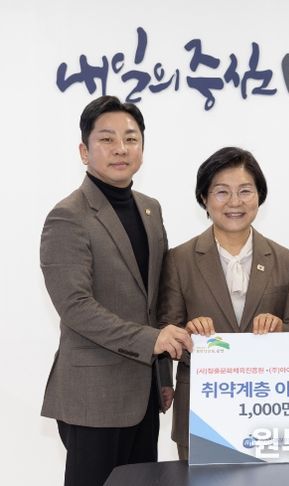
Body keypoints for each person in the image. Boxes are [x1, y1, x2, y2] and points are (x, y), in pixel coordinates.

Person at [40, 96, 193, 486]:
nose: (121, 148)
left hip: (144, 395)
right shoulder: (68, 216)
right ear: (84, 151)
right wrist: (151, 340)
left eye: (131, 138)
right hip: (93, 397)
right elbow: (76, 307)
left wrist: (163, 374)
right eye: (107, 139)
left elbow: (154, 302)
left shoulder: (150, 209)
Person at [157, 146, 289, 460]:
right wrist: (188, 333)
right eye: (221, 192)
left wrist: (280, 328)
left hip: (269, 410)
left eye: (245, 191)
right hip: (200, 414)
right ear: (204, 198)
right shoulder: (179, 259)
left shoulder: (283, 259)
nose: (234, 202)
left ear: (259, 196)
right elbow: (165, 330)